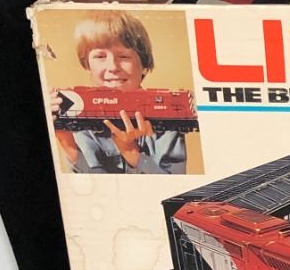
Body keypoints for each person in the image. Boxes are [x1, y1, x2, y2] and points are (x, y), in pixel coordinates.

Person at [52, 12, 188, 175]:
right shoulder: (79, 115)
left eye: (124, 56)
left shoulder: (167, 121)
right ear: (87, 64)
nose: (113, 67)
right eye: (100, 56)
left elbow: (175, 184)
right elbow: (93, 185)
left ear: (144, 64)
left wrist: (131, 152)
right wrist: (67, 142)